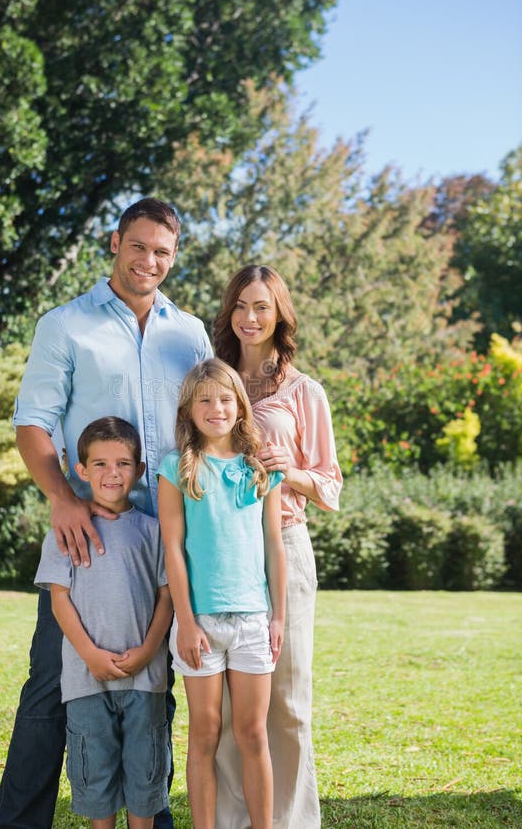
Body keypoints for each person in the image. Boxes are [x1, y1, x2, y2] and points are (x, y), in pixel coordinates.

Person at [0, 197, 212, 829]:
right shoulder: (66, 325)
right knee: (51, 687)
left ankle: (152, 814)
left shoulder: (189, 333)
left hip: (169, 538)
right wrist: (63, 498)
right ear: (115, 242)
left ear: (174, 257)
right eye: (138, 246)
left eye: (162, 252)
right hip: (88, 535)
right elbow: (32, 421)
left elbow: (206, 421)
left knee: (158, 689)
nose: (149, 260)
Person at [212, 265, 343, 829]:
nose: (250, 317)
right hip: (219, 550)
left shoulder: (303, 391)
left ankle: (291, 822)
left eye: (261, 306)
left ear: (279, 314)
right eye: (240, 306)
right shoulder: (213, 385)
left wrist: (291, 471)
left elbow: (330, 485)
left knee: (286, 703)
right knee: (222, 711)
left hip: (284, 548)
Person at [157, 358, 287, 829]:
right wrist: (186, 622)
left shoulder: (261, 469)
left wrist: (278, 618)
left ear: (240, 406)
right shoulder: (177, 468)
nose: (217, 408)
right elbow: (172, 549)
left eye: (226, 399)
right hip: (201, 625)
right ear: (189, 409)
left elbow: (275, 546)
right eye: (205, 400)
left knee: (253, 734)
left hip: (254, 620)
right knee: (205, 733)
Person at [34, 416, 173, 829]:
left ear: (140, 470)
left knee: (146, 775)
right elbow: (60, 600)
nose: (112, 473)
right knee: (95, 778)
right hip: (86, 678)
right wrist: (91, 655)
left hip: (145, 680)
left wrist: (149, 651)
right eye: (100, 464)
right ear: (80, 470)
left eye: (124, 463)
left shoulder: (154, 531)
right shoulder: (65, 531)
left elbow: (168, 597)